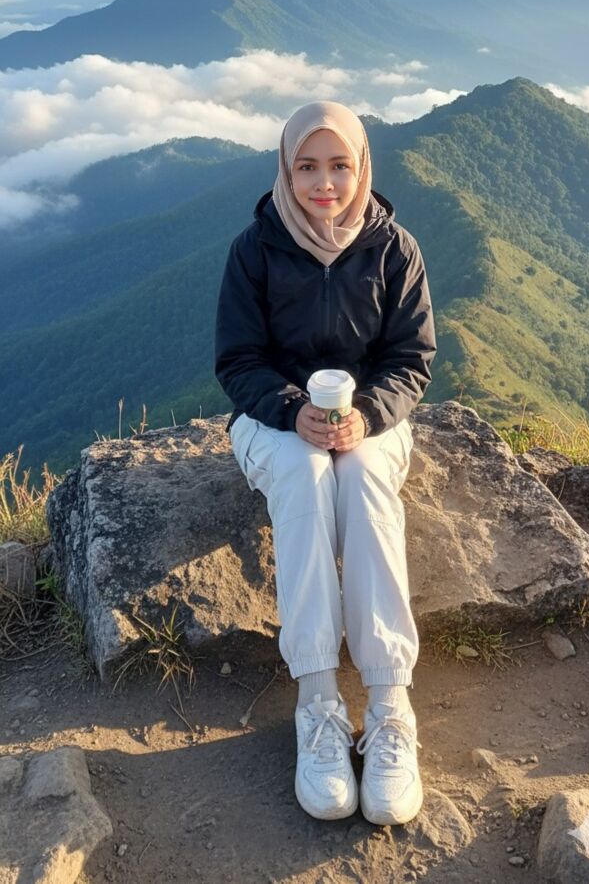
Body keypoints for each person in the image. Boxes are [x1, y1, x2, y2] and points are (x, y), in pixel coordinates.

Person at [214, 100, 436, 825]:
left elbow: (412, 359)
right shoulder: (255, 249)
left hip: (371, 420)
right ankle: (318, 704)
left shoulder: (393, 248)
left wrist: (367, 413)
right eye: (307, 167)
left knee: (364, 477)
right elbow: (237, 360)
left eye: (339, 165)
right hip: (274, 421)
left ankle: (390, 704)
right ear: (285, 170)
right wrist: (291, 411)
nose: (324, 183)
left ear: (362, 166)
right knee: (306, 475)